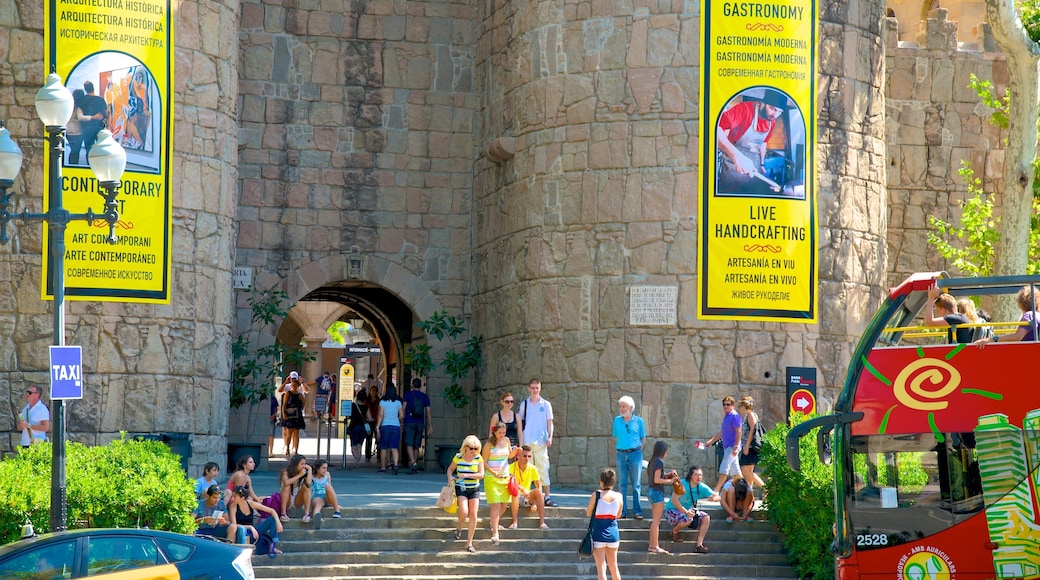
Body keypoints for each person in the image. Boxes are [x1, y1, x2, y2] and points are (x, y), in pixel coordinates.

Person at [716, 89, 789, 196]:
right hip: (734, 167)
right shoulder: (744, 109)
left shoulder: (771, 121)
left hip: (755, 169)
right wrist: (736, 156)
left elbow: (763, 142)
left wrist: (762, 164)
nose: (775, 115)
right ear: (763, 102)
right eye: (772, 109)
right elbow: (714, 128)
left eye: (779, 112)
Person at [519, 378, 557, 506]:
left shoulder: (546, 404)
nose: (535, 390)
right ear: (529, 388)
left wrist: (550, 436)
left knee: (543, 468)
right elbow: (521, 423)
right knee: (526, 469)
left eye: (537, 388)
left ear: (540, 388)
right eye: (533, 388)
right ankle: (527, 496)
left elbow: (549, 422)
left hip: (541, 442)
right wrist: (520, 443)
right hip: (527, 441)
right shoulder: (524, 404)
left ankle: (547, 496)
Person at [665, 466, 718, 551]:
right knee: (688, 519)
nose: (699, 477)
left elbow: (718, 496)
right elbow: (674, 500)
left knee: (706, 517)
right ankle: (674, 531)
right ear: (690, 475)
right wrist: (686, 512)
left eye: (700, 475)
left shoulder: (701, 487)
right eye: (696, 475)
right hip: (672, 510)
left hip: (689, 511)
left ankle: (699, 545)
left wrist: (714, 499)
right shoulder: (682, 483)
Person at [448, 435, 485, 553]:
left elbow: (481, 474)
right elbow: (450, 469)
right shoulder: (458, 457)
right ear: (465, 447)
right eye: (471, 448)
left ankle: (469, 543)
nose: (473, 451)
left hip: (474, 488)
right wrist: (450, 477)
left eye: (476, 448)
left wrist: (468, 475)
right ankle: (459, 526)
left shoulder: (478, 458)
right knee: (464, 511)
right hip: (461, 488)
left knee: (473, 515)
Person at [611, 395, 646, 520]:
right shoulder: (616, 420)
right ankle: (622, 511)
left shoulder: (639, 421)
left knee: (636, 485)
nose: (621, 408)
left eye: (624, 406)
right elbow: (615, 436)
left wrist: (635, 451)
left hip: (635, 454)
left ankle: (637, 511)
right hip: (621, 454)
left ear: (631, 407)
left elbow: (643, 439)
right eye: (620, 406)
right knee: (622, 484)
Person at [586, 468, 623, 580]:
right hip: (613, 534)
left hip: (598, 535)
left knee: (601, 568)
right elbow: (618, 515)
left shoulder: (596, 495)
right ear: (613, 482)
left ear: (601, 481)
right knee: (614, 567)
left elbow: (588, 513)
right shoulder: (619, 496)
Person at [482, 422, 515, 544]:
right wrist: (493, 472)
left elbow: (509, 455)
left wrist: (516, 451)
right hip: (492, 478)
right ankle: (495, 532)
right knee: (495, 504)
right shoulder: (489, 444)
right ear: (494, 432)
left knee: (504, 504)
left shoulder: (506, 441)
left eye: (504, 433)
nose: (502, 435)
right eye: (500, 433)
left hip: (505, 477)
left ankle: (493, 522)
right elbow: (483, 462)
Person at [975, 285, 1040, 345]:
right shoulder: (1037, 315)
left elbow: (1018, 336)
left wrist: (991, 339)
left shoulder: (1029, 315)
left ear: (1021, 301)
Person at [227, 485, 282, 555]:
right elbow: (234, 525)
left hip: (253, 531)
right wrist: (250, 527)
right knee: (247, 533)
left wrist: (278, 522)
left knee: (272, 519)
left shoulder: (250, 503)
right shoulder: (233, 506)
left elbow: (271, 511)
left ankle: (274, 543)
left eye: (235, 497)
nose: (232, 499)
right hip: (243, 531)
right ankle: (267, 547)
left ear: (242, 498)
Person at [703, 396, 743, 493]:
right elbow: (722, 433)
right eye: (724, 404)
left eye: (728, 404)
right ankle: (746, 489)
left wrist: (736, 447)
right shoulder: (727, 416)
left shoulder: (734, 416)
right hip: (728, 447)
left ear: (733, 405)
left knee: (724, 468)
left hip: (732, 447)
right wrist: (711, 441)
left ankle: (716, 491)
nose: (726, 406)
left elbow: (739, 432)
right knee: (736, 473)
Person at [646, 440, 678, 555]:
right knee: (656, 521)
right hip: (657, 492)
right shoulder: (659, 462)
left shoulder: (652, 461)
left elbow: (657, 477)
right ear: (663, 451)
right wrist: (671, 481)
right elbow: (657, 480)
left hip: (651, 491)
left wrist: (667, 475)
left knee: (655, 521)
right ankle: (655, 546)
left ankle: (652, 545)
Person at [507, 445, 548, 529]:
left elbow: (538, 485)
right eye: (524, 456)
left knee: (538, 492)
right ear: (518, 456)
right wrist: (522, 489)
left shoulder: (533, 468)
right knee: (515, 494)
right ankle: (514, 522)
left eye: (529, 456)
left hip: (527, 497)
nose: (527, 458)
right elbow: (510, 483)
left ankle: (542, 523)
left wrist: (535, 503)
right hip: (514, 497)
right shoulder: (511, 467)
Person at [402, 377, 433, 473]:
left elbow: (403, 408)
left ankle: (413, 462)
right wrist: (430, 426)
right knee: (416, 445)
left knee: (409, 443)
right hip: (420, 423)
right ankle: (414, 464)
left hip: (409, 421)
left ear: (412, 385)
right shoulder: (425, 397)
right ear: (420, 386)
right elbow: (428, 412)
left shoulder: (408, 395)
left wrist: (402, 421)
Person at [737, 397, 767, 496]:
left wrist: (746, 446)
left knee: (746, 471)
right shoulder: (746, 416)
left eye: (739, 407)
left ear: (742, 407)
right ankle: (750, 495)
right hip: (747, 447)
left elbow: (753, 429)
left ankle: (765, 489)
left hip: (750, 448)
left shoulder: (750, 414)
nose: (738, 410)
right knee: (748, 473)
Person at [303, 459, 342, 528]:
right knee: (318, 505)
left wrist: (334, 503)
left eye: (326, 468)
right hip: (316, 497)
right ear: (317, 469)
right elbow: (308, 483)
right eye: (323, 468)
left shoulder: (327, 474)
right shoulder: (311, 476)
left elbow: (330, 488)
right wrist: (309, 470)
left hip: (326, 496)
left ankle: (336, 510)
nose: (325, 470)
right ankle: (317, 517)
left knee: (328, 486)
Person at [278, 371, 308, 456]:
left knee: (296, 433)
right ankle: (287, 448)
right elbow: (284, 403)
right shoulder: (288, 392)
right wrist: (284, 413)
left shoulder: (299, 393)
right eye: (292, 384)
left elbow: (304, 400)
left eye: (295, 385)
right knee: (289, 433)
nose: (294, 386)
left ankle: (296, 449)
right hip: (290, 414)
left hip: (297, 414)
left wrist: (301, 408)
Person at [377, 383, 404, 474]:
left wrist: (377, 426)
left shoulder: (382, 402)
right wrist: (396, 419)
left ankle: (383, 467)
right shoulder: (398, 402)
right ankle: (395, 465)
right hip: (395, 426)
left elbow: (381, 415)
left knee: (384, 447)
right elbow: (402, 415)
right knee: (394, 447)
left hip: (385, 426)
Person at [278, 454, 312, 521]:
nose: (304, 466)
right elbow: (286, 482)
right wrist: (299, 475)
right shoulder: (285, 471)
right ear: (296, 464)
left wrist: (310, 470)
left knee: (306, 487)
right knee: (287, 487)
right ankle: (283, 513)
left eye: (305, 464)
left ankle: (306, 514)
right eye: (302, 464)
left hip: (297, 499)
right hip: (287, 499)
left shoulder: (304, 472)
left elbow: (309, 483)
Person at [79, 81, 108, 159]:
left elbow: (79, 115)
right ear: (93, 88)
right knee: (101, 148)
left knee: (89, 149)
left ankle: (90, 166)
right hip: (99, 127)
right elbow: (106, 114)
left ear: (85, 89)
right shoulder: (100, 100)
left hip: (86, 128)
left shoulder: (81, 100)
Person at [347, 389, 369, 466]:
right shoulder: (366, 407)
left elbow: (348, 415)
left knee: (353, 444)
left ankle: (356, 459)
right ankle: (358, 459)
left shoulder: (353, 405)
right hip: (363, 427)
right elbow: (369, 418)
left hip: (354, 426)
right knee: (359, 444)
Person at [66, 89, 86, 165]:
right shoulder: (79, 108)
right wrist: (93, 117)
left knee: (73, 150)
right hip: (77, 132)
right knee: (76, 151)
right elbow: (80, 117)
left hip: (68, 131)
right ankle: (73, 165)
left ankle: (71, 165)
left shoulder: (69, 105)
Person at [365, 384, 381, 461]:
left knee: (378, 440)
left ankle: (379, 457)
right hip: (368, 421)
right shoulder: (366, 401)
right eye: (372, 391)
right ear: (370, 392)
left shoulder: (379, 401)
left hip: (377, 421)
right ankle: (367, 456)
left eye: (375, 391)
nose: (374, 392)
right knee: (368, 439)